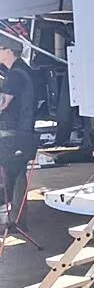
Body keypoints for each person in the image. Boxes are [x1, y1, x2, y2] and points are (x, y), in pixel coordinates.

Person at [0, 35, 38, 222]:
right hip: (23, 129)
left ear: (8, 51)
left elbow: (2, 103)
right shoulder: (23, 71)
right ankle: (16, 218)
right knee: (17, 173)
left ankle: (11, 219)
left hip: (11, 131)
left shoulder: (15, 75)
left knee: (9, 175)